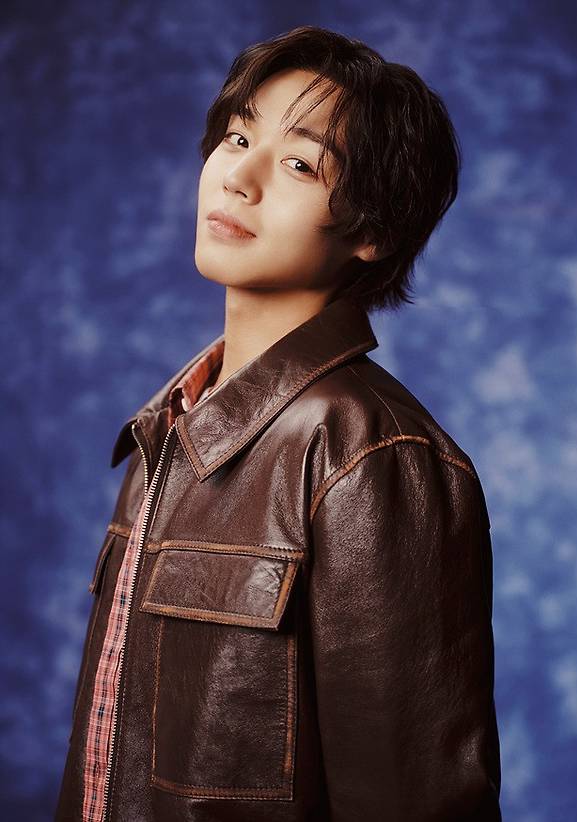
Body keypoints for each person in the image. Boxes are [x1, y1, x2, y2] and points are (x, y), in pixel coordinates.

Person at [56, 24, 502, 821]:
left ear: (373, 231)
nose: (239, 177)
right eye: (237, 138)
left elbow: (415, 800)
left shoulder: (370, 454)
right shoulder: (167, 430)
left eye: (300, 164)